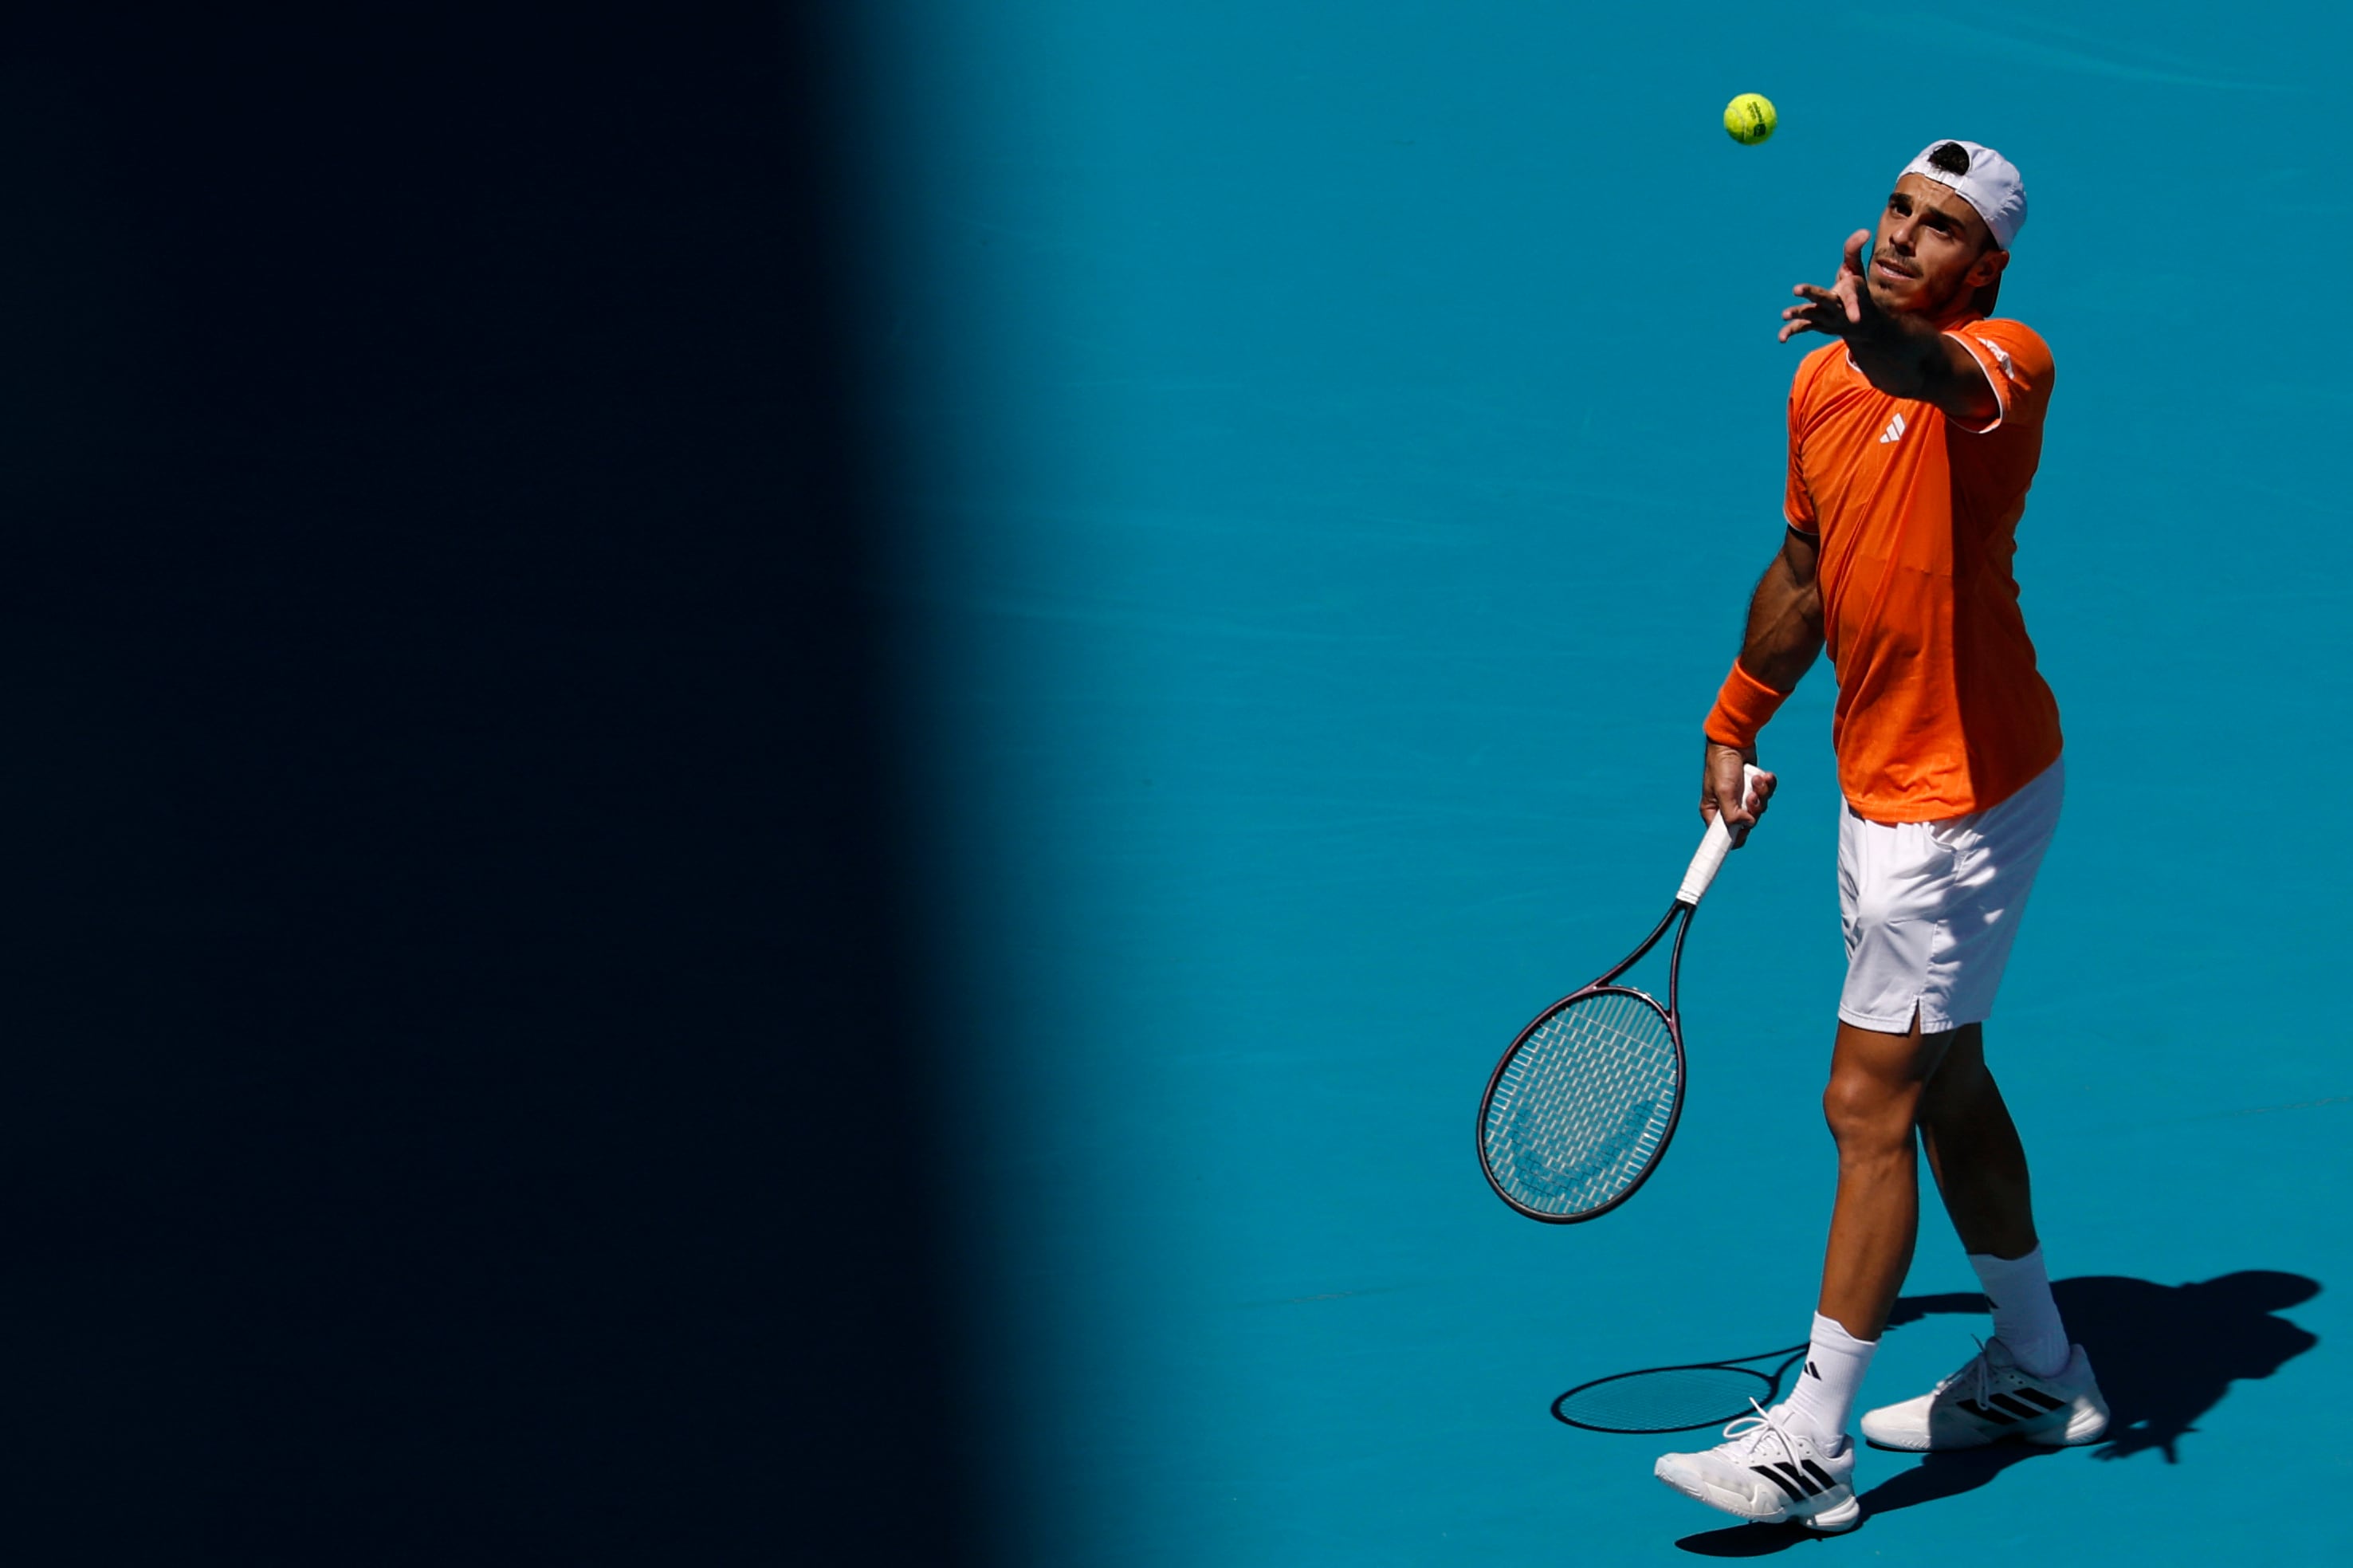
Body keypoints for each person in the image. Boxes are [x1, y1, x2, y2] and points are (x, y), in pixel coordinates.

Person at [1650, 140, 2109, 1533]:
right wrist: (1737, 717)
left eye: (1942, 228)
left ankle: (1813, 1443)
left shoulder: (2004, 366)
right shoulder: (1821, 379)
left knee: (1870, 1103)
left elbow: (1925, 369)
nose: (1906, 237)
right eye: (1899, 211)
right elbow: (1806, 567)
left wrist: (1880, 330)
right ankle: (2043, 1368)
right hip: (1882, 778)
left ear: (1989, 269)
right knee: (1947, 1076)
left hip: (1958, 802)